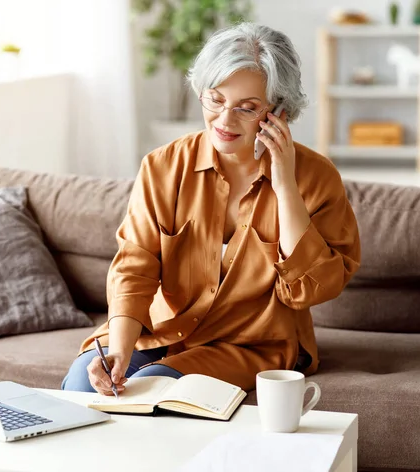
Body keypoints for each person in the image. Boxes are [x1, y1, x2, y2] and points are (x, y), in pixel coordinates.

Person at [61, 22, 361, 396]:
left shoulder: (316, 178)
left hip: (249, 344)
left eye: (247, 108)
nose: (224, 120)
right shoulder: (163, 166)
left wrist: (284, 184)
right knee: (79, 389)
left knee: (149, 391)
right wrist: (120, 347)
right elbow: (134, 265)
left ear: (279, 111)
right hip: (160, 330)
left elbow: (307, 291)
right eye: (215, 99)